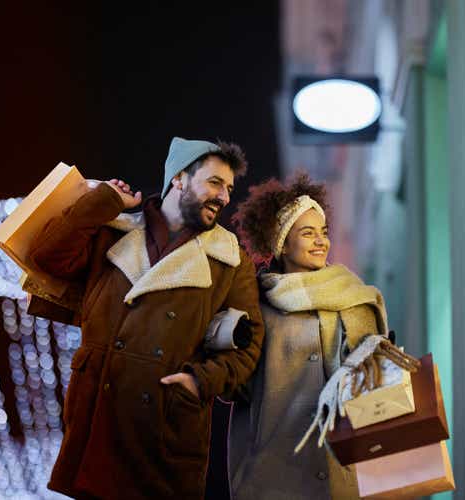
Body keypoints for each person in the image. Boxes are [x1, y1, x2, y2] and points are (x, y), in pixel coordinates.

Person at [29, 137, 264, 499]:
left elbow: (248, 346)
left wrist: (198, 382)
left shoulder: (231, 260)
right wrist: (102, 202)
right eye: (215, 182)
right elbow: (47, 257)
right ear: (180, 178)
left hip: (166, 430)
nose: (224, 196)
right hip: (97, 420)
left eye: (229, 188)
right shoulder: (113, 228)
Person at [227, 173, 390, 499]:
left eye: (324, 232)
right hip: (272, 466)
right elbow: (237, 386)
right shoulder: (257, 303)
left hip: (339, 463)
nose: (321, 241)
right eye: (307, 233)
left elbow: (375, 378)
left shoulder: (351, 294)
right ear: (283, 244)